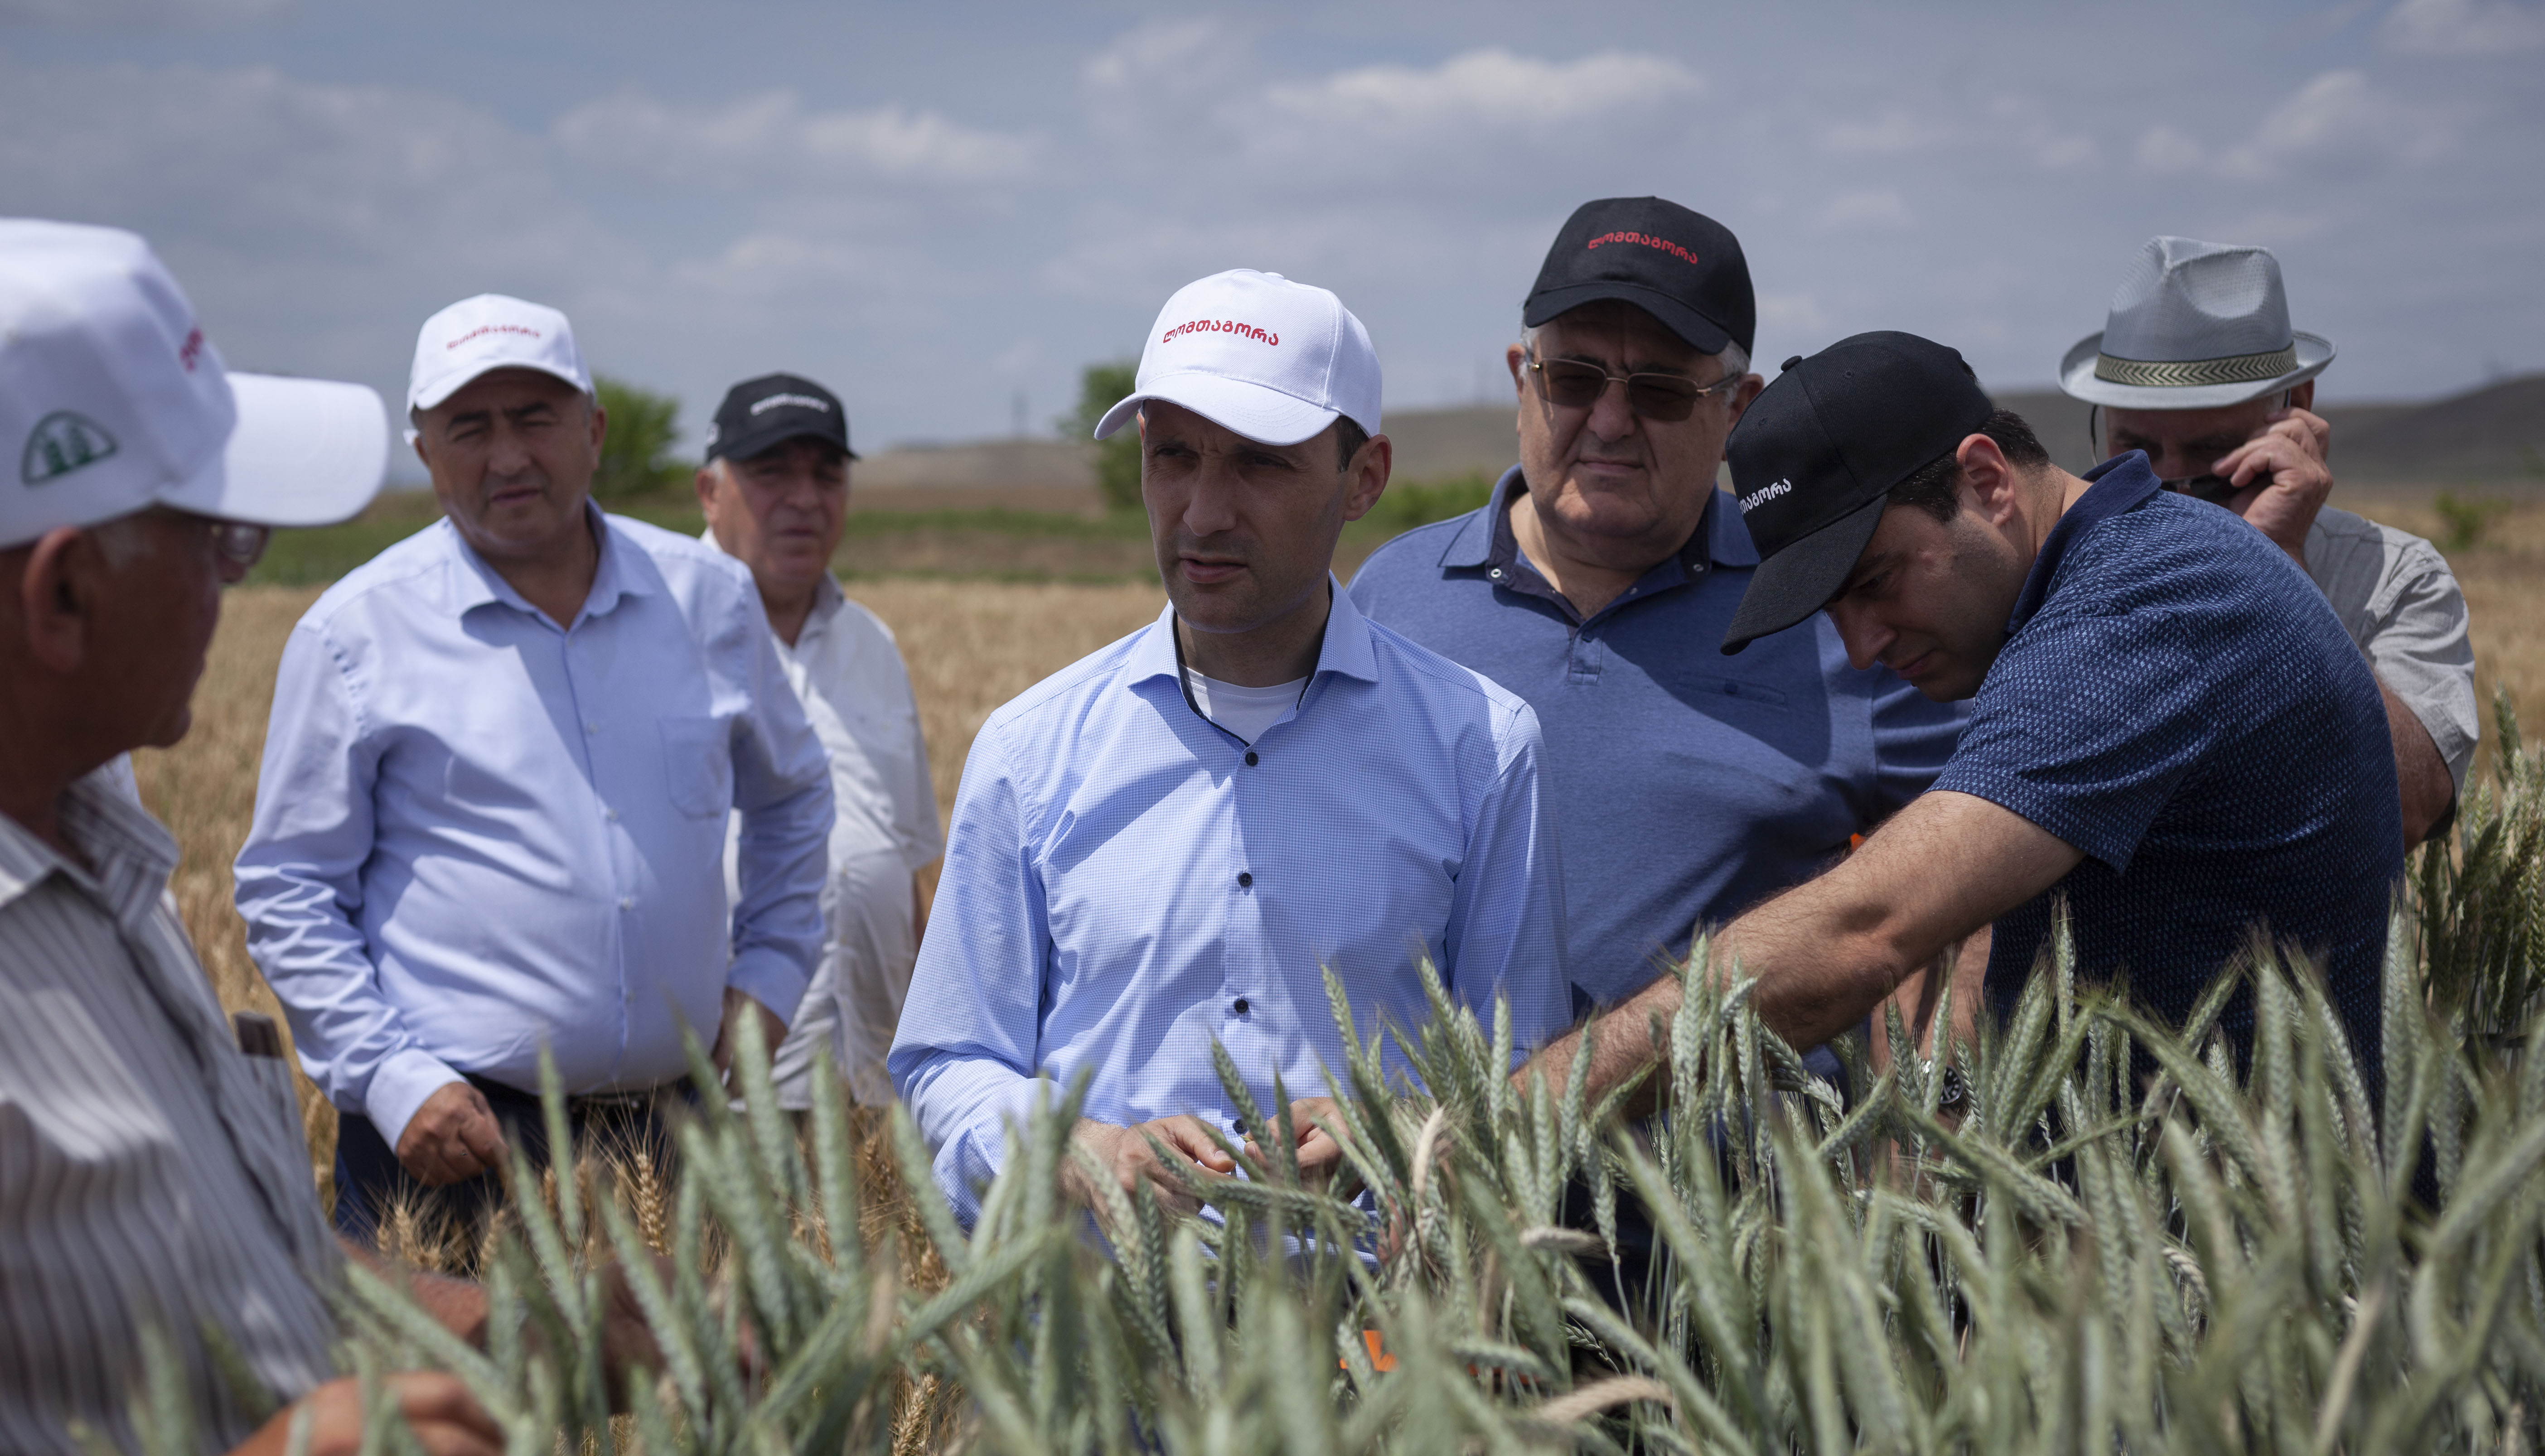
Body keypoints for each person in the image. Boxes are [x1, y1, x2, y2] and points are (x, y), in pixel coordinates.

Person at [0, 219, 504, 1456]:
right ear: (63, 595)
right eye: (218, 539)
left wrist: (500, 1326)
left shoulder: (91, 838)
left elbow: (200, 1269)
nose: (236, 583)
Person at [1534, 331, 2403, 1104]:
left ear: (1986, 481)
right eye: (1832, 612)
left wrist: (1525, 1116)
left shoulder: (2149, 606)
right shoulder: (2108, 582)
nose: (1863, 649)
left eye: (1877, 583)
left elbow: (1863, 933)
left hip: (2249, 1224)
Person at [888, 269, 1570, 1228]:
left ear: (1365, 478)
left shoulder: (1483, 750)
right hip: (1097, 1314)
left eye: (1259, 463)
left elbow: (1527, 1076)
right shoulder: (1029, 752)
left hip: (1375, 1317)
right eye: (1173, 456)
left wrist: (1408, 1131)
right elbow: (947, 1062)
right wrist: (1082, 1152)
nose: (1204, 512)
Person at [235, 294, 834, 1244]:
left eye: (534, 419)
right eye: (469, 428)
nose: (508, 456)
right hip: (451, 1145)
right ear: (425, 453)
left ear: (593, 432)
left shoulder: (709, 600)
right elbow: (289, 886)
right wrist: (390, 1077)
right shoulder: (355, 634)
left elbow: (794, 796)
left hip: (675, 1132)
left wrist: (772, 970)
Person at [1350, 197, 1968, 1037]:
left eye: (1662, 391)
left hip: (1736, 1129)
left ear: (1739, 411)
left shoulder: (1834, 610)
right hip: (1429, 1121)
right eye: (1573, 380)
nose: (1609, 423)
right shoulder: (1389, 598)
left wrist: (1934, 1101)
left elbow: (1971, 883)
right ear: (1522, 378)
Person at [2059, 236, 2476, 846]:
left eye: (2210, 451)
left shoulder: (2394, 579)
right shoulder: (2058, 568)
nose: (2168, 485)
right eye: (2136, 449)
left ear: (2295, 410)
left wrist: (2277, 565)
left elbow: (2410, 808)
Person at [696, 374, 943, 1109]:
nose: (804, 498)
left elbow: (910, 862)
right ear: (710, 492)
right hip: (722, 1099)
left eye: (827, 475)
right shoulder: (657, 637)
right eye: (772, 472)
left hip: (873, 1086)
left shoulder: (873, 644)